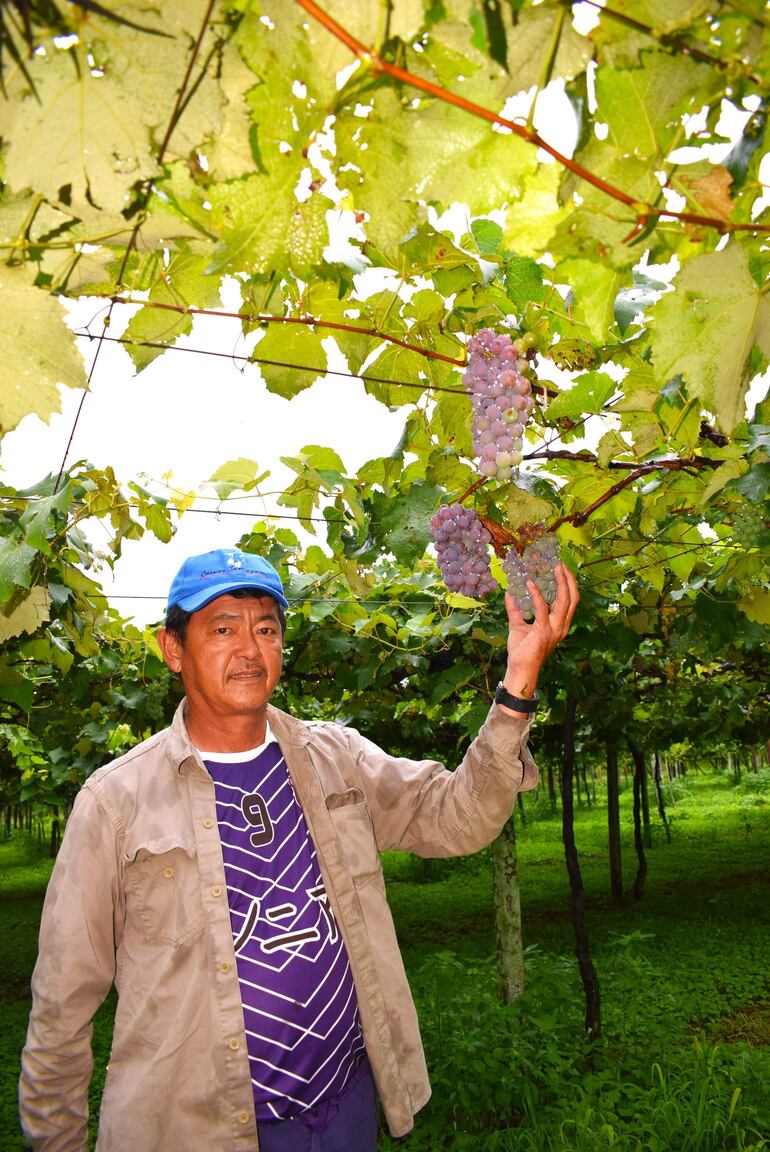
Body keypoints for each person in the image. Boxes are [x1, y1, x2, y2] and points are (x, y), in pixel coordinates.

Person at [20, 546, 579, 1152]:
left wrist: (519, 679)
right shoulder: (114, 803)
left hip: (344, 1108)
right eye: (223, 629)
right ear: (173, 649)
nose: (249, 649)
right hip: (197, 1133)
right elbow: (62, 1004)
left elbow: (458, 815)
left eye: (266, 628)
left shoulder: (333, 758)